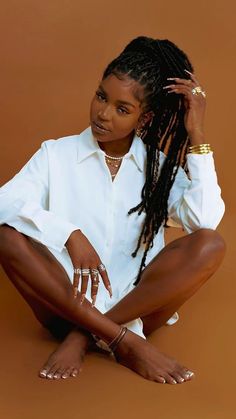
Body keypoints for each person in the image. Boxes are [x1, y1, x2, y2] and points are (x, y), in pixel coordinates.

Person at [0, 36, 226, 385]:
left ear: (145, 117)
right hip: (63, 303)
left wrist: (196, 134)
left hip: (137, 309)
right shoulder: (55, 155)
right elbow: (4, 202)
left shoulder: (158, 169)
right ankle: (122, 342)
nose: (103, 114)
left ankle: (84, 334)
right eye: (101, 96)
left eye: (122, 109)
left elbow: (204, 221)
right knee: (5, 236)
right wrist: (69, 234)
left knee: (211, 243)